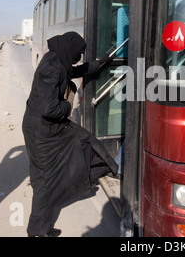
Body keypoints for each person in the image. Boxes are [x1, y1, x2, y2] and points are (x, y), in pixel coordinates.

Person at [22, 32, 118, 237]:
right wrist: (67, 105)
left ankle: (40, 228)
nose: (78, 58)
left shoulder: (56, 59)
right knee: (44, 180)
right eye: (78, 54)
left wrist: (99, 64)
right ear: (70, 50)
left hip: (42, 127)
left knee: (47, 176)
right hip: (42, 131)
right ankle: (38, 230)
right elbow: (49, 108)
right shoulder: (51, 68)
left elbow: (75, 70)